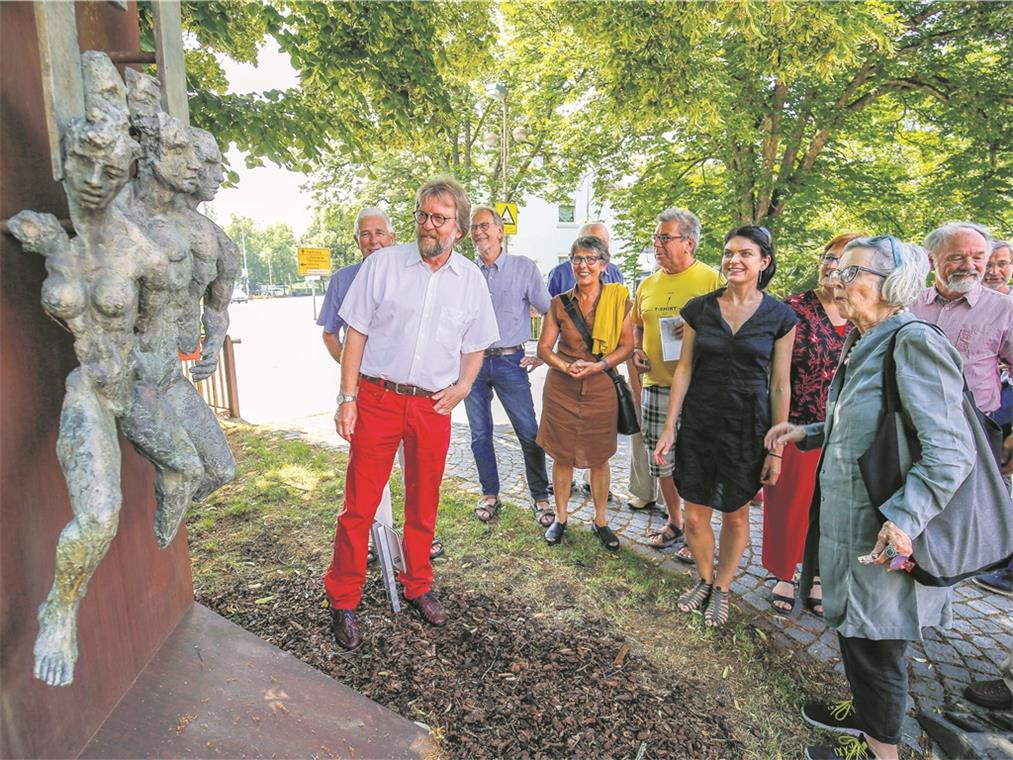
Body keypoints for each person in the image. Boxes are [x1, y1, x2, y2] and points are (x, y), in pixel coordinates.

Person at [766, 235, 974, 760]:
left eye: (852, 271)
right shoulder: (867, 337)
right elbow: (867, 424)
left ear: (893, 285)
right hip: (851, 522)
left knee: (879, 648)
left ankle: (882, 752)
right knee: (856, 633)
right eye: (838, 267)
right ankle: (864, 718)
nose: (836, 279)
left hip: (886, 532)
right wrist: (808, 432)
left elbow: (951, 451)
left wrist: (905, 516)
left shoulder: (913, 341)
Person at [326, 177, 498, 650]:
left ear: (458, 228)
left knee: (424, 503)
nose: (427, 225)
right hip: (378, 399)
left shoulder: (471, 282)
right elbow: (355, 333)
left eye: (439, 219)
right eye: (423, 215)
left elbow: (476, 344)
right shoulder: (383, 265)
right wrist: (347, 398)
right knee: (359, 505)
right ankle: (343, 597)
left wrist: (463, 387)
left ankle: (418, 584)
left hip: (431, 406)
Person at [654, 226, 796, 626]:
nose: (734, 260)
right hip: (700, 422)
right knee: (695, 514)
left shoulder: (781, 316)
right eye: (729, 252)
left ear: (764, 262)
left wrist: (776, 448)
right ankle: (703, 577)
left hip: (748, 428)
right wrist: (669, 428)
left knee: (735, 514)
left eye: (745, 254)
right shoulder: (699, 309)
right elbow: (684, 369)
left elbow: (780, 384)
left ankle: (723, 586)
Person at [316, 209, 444, 561]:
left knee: (417, 472)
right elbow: (330, 333)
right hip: (366, 392)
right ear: (356, 241)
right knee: (372, 475)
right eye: (365, 234)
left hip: (411, 393)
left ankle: (418, 542)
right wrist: (351, 375)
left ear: (392, 236)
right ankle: (381, 541)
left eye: (379, 233)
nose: (373, 240)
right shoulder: (344, 279)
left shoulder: (411, 271)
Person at [911, 222, 1013, 598]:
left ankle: (942, 587)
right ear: (933, 260)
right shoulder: (910, 303)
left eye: (977, 257)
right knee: (914, 510)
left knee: (957, 517)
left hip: (973, 429)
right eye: (956, 257)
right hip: (910, 426)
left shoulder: (1004, 309)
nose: (969, 266)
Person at [761, 233, 857, 615]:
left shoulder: (865, 312)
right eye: (827, 258)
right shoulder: (795, 309)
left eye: (842, 260)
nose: (831, 267)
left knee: (831, 508)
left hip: (847, 432)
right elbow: (773, 373)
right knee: (790, 502)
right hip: (798, 422)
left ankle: (817, 574)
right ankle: (784, 572)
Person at [632, 208, 724, 555]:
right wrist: (638, 349)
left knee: (699, 462)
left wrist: (706, 327)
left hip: (700, 390)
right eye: (656, 237)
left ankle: (698, 532)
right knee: (662, 462)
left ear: (689, 242)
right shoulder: (648, 283)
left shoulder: (712, 280)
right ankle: (675, 521)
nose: (656, 244)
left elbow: (733, 325)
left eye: (664, 237)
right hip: (657, 386)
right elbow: (637, 323)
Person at [536, 235, 634, 550]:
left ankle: (600, 521)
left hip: (601, 385)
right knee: (562, 457)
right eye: (577, 258)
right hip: (563, 388)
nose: (583, 265)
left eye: (591, 259)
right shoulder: (558, 303)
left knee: (599, 457)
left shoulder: (620, 300)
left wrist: (599, 365)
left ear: (603, 265)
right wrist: (566, 367)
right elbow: (543, 348)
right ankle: (561, 519)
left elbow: (628, 346)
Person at [464, 206, 553, 526]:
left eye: (485, 226)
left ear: (501, 231)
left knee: (529, 432)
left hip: (510, 362)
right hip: (471, 365)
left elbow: (550, 311)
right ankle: (490, 493)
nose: (478, 232)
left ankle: (540, 497)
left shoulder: (524, 268)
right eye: (474, 227)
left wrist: (545, 351)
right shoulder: (464, 272)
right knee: (479, 435)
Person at [546, 222, 624, 297]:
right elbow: (549, 308)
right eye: (594, 242)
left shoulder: (615, 272)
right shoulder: (559, 274)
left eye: (604, 242)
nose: (600, 247)